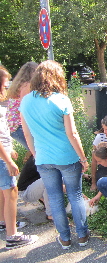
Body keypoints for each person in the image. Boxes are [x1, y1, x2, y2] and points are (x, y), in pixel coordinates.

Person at [20, 60, 89, 250]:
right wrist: (83, 158)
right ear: (57, 78)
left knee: (56, 197)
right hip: (67, 157)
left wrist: (36, 154)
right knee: (74, 195)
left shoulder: (25, 101)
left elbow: (27, 134)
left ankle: (65, 239)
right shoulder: (61, 100)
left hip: (43, 158)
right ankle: (83, 235)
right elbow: (72, 134)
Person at [0, 66, 38, 250]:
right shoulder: (27, 87)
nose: (7, 86)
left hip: (7, 142)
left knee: (2, 188)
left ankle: (3, 222)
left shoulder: (5, 100)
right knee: (11, 191)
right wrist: (7, 159)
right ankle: (12, 236)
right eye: (4, 83)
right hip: (5, 150)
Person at [6, 62, 38, 150]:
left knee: (36, 152)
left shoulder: (19, 84)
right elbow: (26, 106)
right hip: (19, 125)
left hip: (14, 125)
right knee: (38, 152)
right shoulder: (27, 85)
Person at [17, 155, 52, 220]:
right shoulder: (41, 159)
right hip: (25, 192)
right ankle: (51, 214)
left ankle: (49, 206)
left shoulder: (42, 155)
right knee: (48, 180)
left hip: (34, 188)